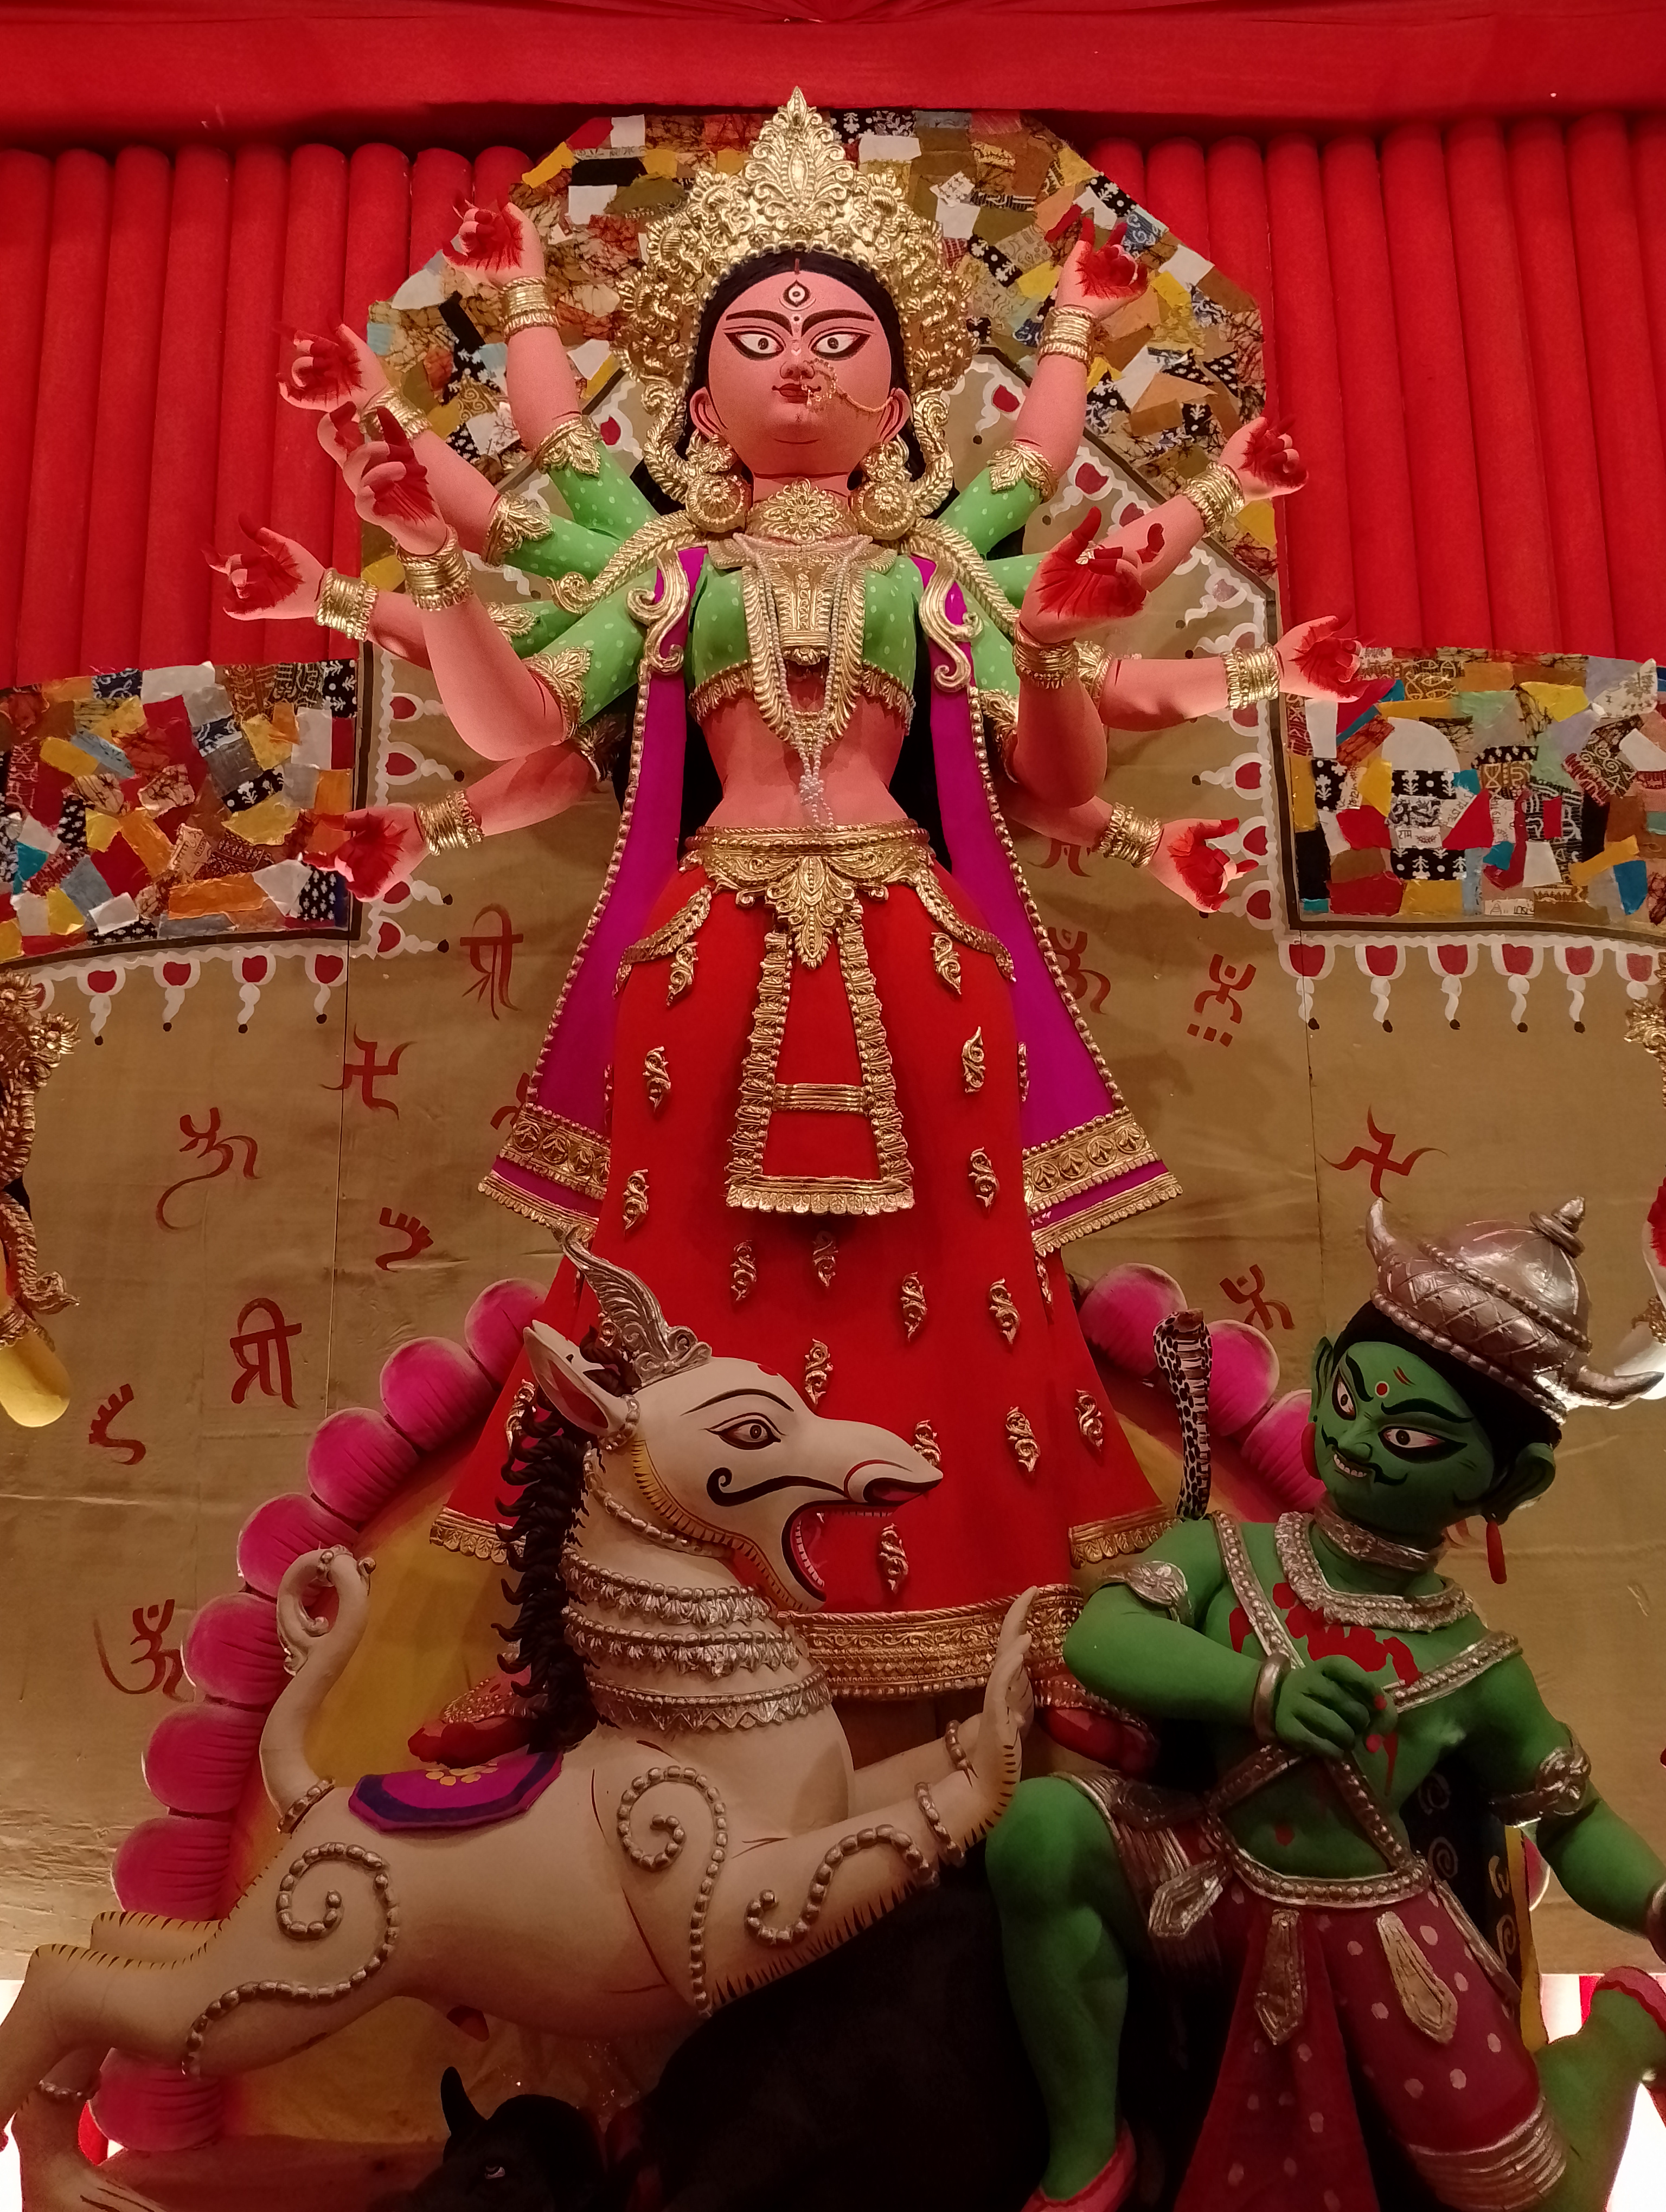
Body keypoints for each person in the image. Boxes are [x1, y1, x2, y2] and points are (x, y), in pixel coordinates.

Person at [216, 94, 1357, 1702]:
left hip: (916, 942)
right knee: (657, 1258)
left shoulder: (937, 572)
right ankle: (568, 1643)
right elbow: (522, 729)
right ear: (700, 401)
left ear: (902, 397)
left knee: (971, 1263)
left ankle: (1022, 1624)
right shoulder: (669, 572)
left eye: (838, 338)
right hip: (709, 944)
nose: (801, 362)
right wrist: (429, 560)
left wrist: (1052, 641)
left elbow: (1054, 766)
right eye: (758, 339)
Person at [988, 1194, 1666, 2211]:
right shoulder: (1228, 1551)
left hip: (1378, 1933)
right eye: (1350, 1396)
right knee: (1042, 1832)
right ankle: (1087, 2150)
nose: (1364, 1439)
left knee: (1540, 2200)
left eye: (1418, 1435)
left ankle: (1628, 2026)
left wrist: (1654, 1904)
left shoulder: (1475, 1663)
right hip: (1210, 1871)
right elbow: (1102, 1636)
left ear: (1513, 1484)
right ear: (1321, 1372)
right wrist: (1260, 1690)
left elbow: (1572, 1819)